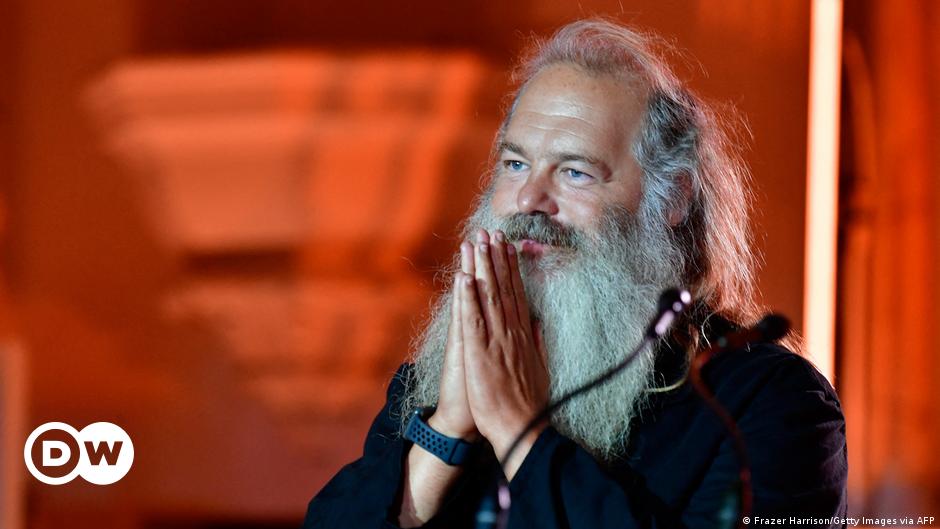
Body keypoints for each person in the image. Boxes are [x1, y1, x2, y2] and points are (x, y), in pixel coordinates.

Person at [303, 19, 848, 529]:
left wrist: (519, 432)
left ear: (672, 199)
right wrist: (446, 431)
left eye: (575, 172)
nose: (528, 200)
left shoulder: (769, 406)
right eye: (515, 164)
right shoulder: (442, 378)